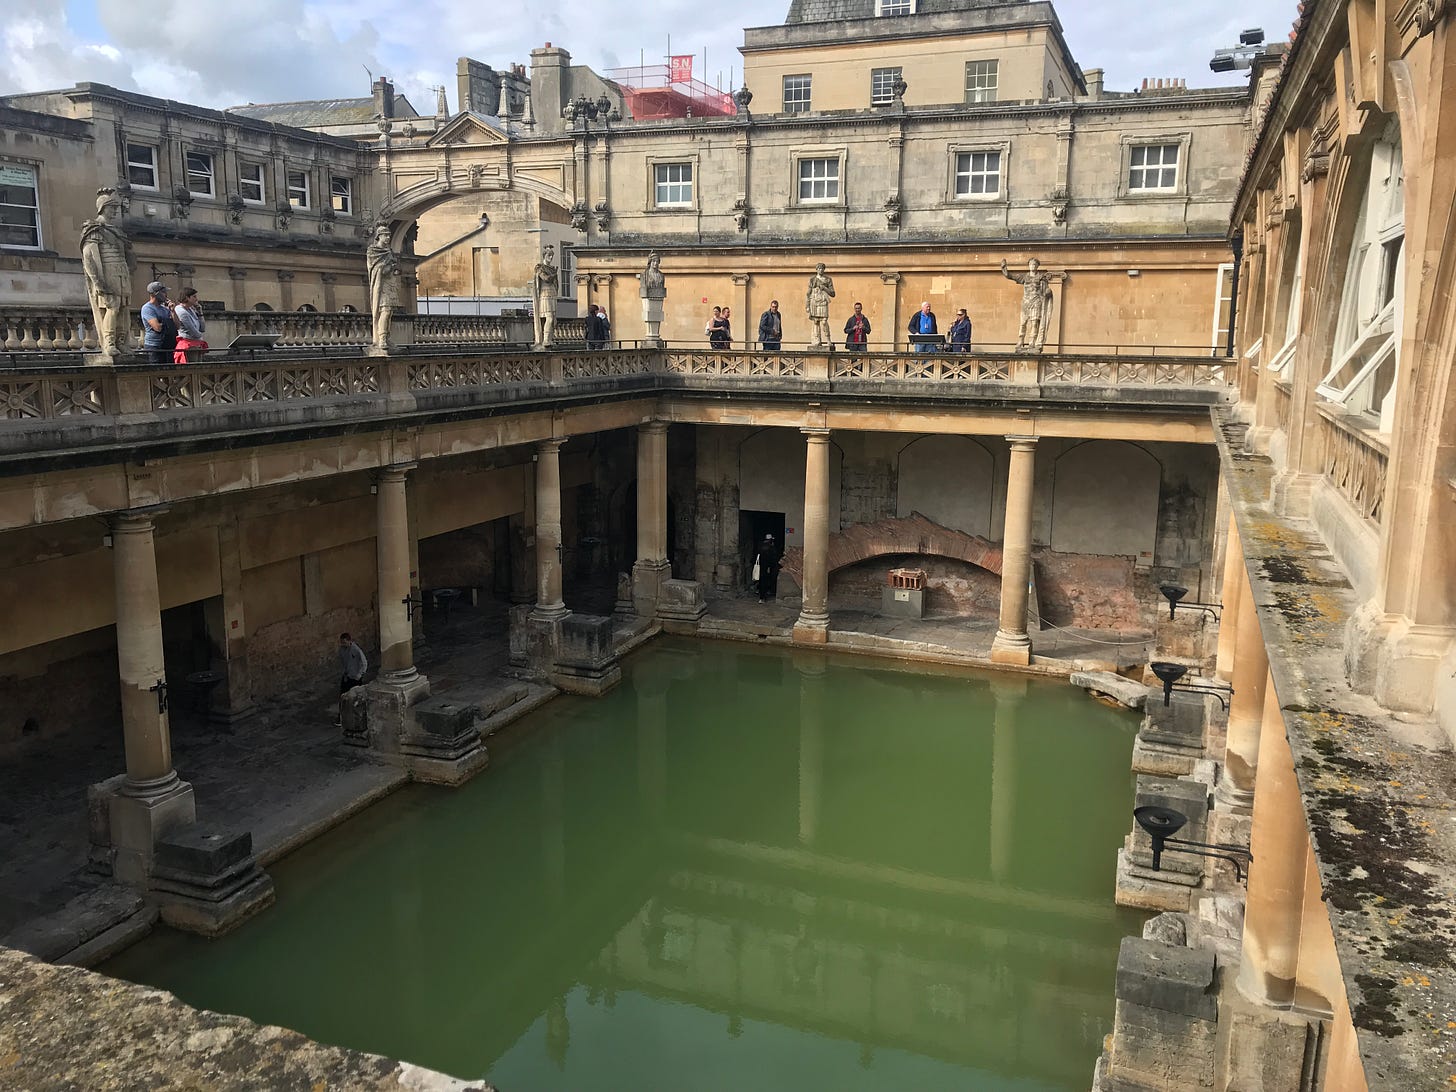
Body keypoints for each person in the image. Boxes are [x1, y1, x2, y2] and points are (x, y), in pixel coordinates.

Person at [79, 187, 135, 357]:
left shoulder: (116, 231)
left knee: (124, 309)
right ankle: (109, 342)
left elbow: (128, 254)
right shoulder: (94, 229)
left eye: (116, 208)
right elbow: (89, 257)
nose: (115, 212)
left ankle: (121, 341)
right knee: (112, 307)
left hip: (122, 273)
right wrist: (97, 281)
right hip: (108, 273)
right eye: (112, 208)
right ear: (102, 208)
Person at [366, 222, 401, 352]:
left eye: (389, 235)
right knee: (384, 311)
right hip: (380, 286)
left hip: (390, 283)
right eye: (385, 235)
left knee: (389, 311)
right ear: (379, 236)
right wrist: (389, 265)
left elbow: (394, 268)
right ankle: (381, 338)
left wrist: (394, 268)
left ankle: (386, 336)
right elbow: (377, 269)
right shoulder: (373, 251)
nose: (388, 238)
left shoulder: (389, 251)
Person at [139, 281, 177, 365]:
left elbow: (177, 326)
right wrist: (169, 323)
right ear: (155, 294)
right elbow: (157, 328)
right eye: (163, 292)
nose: (166, 295)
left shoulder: (165, 309)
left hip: (167, 345)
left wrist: (173, 311)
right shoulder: (147, 308)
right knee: (156, 372)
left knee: (170, 373)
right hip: (154, 346)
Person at [336, 632, 368, 726]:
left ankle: (358, 717)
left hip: (355, 678)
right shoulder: (342, 650)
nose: (343, 644)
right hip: (347, 676)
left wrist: (359, 674)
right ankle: (341, 717)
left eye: (345, 642)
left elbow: (364, 663)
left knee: (356, 698)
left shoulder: (356, 650)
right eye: (342, 642)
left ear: (350, 641)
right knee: (343, 696)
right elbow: (343, 662)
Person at [172, 286, 208, 363]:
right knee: (193, 369)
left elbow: (202, 328)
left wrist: (200, 313)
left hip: (196, 344)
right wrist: (200, 336)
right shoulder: (181, 311)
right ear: (187, 298)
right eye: (194, 296)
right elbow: (193, 331)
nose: (196, 299)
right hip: (188, 344)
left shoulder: (191, 309)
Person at [805, 263, 836, 347]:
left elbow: (833, 293)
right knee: (816, 322)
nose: (820, 270)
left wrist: (825, 288)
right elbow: (808, 293)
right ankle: (816, 340)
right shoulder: (812, 279)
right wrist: (807, 305)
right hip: (814, 301)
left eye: (822, 268)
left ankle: (828, 339)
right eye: (819, 268)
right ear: (816, 269)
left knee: (824, 321)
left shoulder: (828, 279)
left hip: (823, 301)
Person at [754, 534, 780, 602]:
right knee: (767, 581)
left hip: (761, 567)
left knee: (761, 581)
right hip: (768, 568)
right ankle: (767, 593)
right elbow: (774, 558)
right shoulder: (771, 548)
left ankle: (761, 597)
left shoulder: (760, 547)